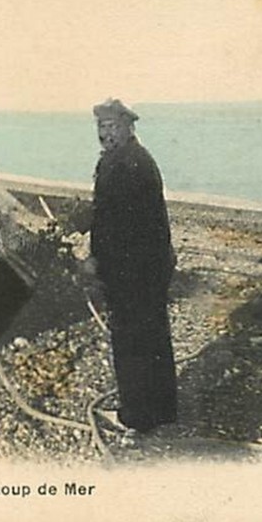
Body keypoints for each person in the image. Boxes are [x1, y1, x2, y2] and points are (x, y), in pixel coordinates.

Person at [84, 98, 177, 433]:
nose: (105, 134)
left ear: (128, 126)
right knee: (153, 338)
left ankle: (134, 418)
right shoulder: (138, 158)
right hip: (150, 266)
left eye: (111, 127)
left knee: (131, 343)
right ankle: (163, 411)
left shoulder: (122, 164)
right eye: (101, 127)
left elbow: (112, 225)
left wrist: (95, 262)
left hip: (131, 270)